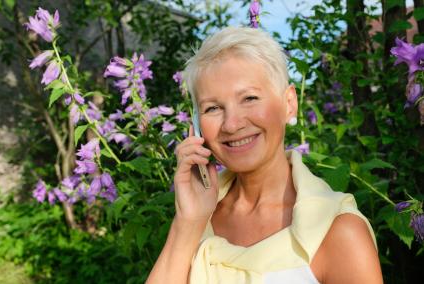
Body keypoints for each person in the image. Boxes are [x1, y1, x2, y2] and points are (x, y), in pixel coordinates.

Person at [146, 27, 383, 284]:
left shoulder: (336, 231)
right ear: (196, 123)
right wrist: (188, 222)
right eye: (213, 108)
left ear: (289, 103)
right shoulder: (199, 220)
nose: (232, 124)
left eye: (249, 98)